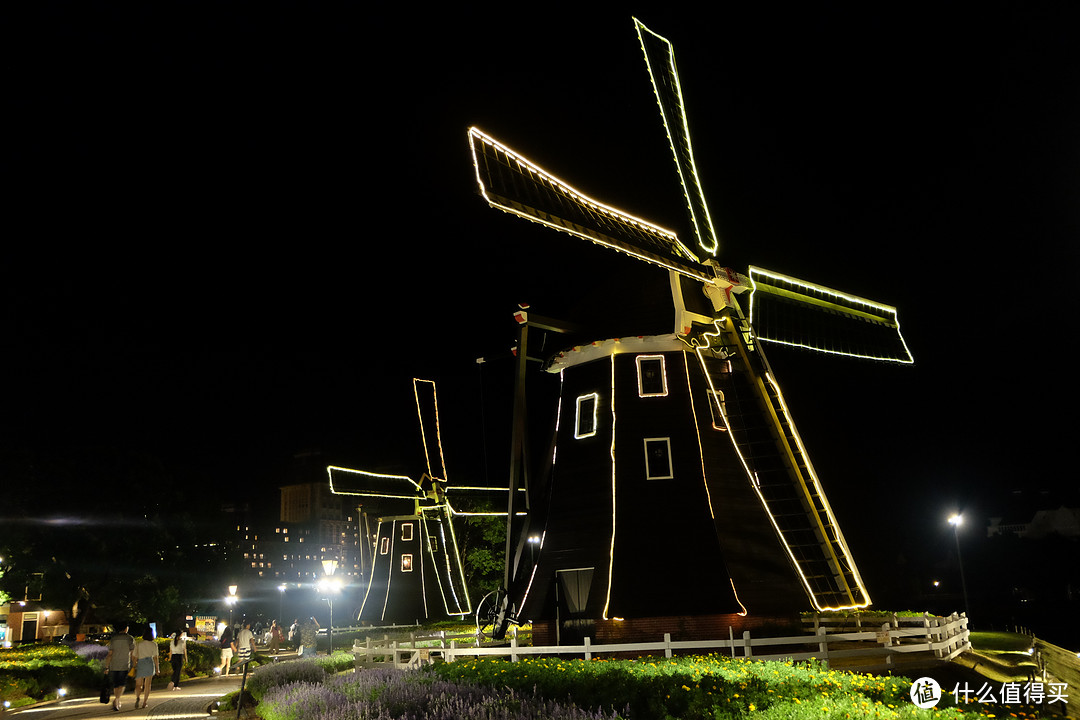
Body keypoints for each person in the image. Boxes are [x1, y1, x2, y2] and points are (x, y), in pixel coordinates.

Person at [104, 624, 135, 711]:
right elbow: (132, 652)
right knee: (122, 684)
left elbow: (109, 654)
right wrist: (135, 663)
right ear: (126, 629)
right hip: (124, 664)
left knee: (116, 684)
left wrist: (106, 667)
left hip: (114, 664)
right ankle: (117, 699)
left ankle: (117, 700)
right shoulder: (130, 638)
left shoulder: (114, 639)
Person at [132, 628, 159, 709]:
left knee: (138, 684)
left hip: (141, 663)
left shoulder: (139, 644)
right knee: (147, 685)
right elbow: (155, 658)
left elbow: (134, 656)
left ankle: (137, 697)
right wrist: (157, 668)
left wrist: (133, 666)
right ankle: (144, 702)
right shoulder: (154, 644)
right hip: (149, 663)